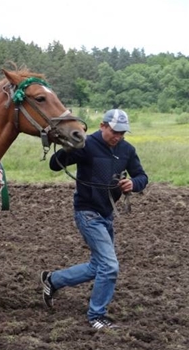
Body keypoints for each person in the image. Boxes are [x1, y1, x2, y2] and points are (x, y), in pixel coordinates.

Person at [41, 109, 148, 330]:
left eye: (122, 132)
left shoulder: (126, 150)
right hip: (87, 212)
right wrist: (67, 147)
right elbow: (54, 164)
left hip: (107, 214)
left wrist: (133, 184)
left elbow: (141, 176)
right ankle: (97, 316)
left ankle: (52, 280)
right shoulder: (86, 145)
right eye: (114, 131)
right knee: (110, 266)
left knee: (97, 266)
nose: (118, 136)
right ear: (103, 126)